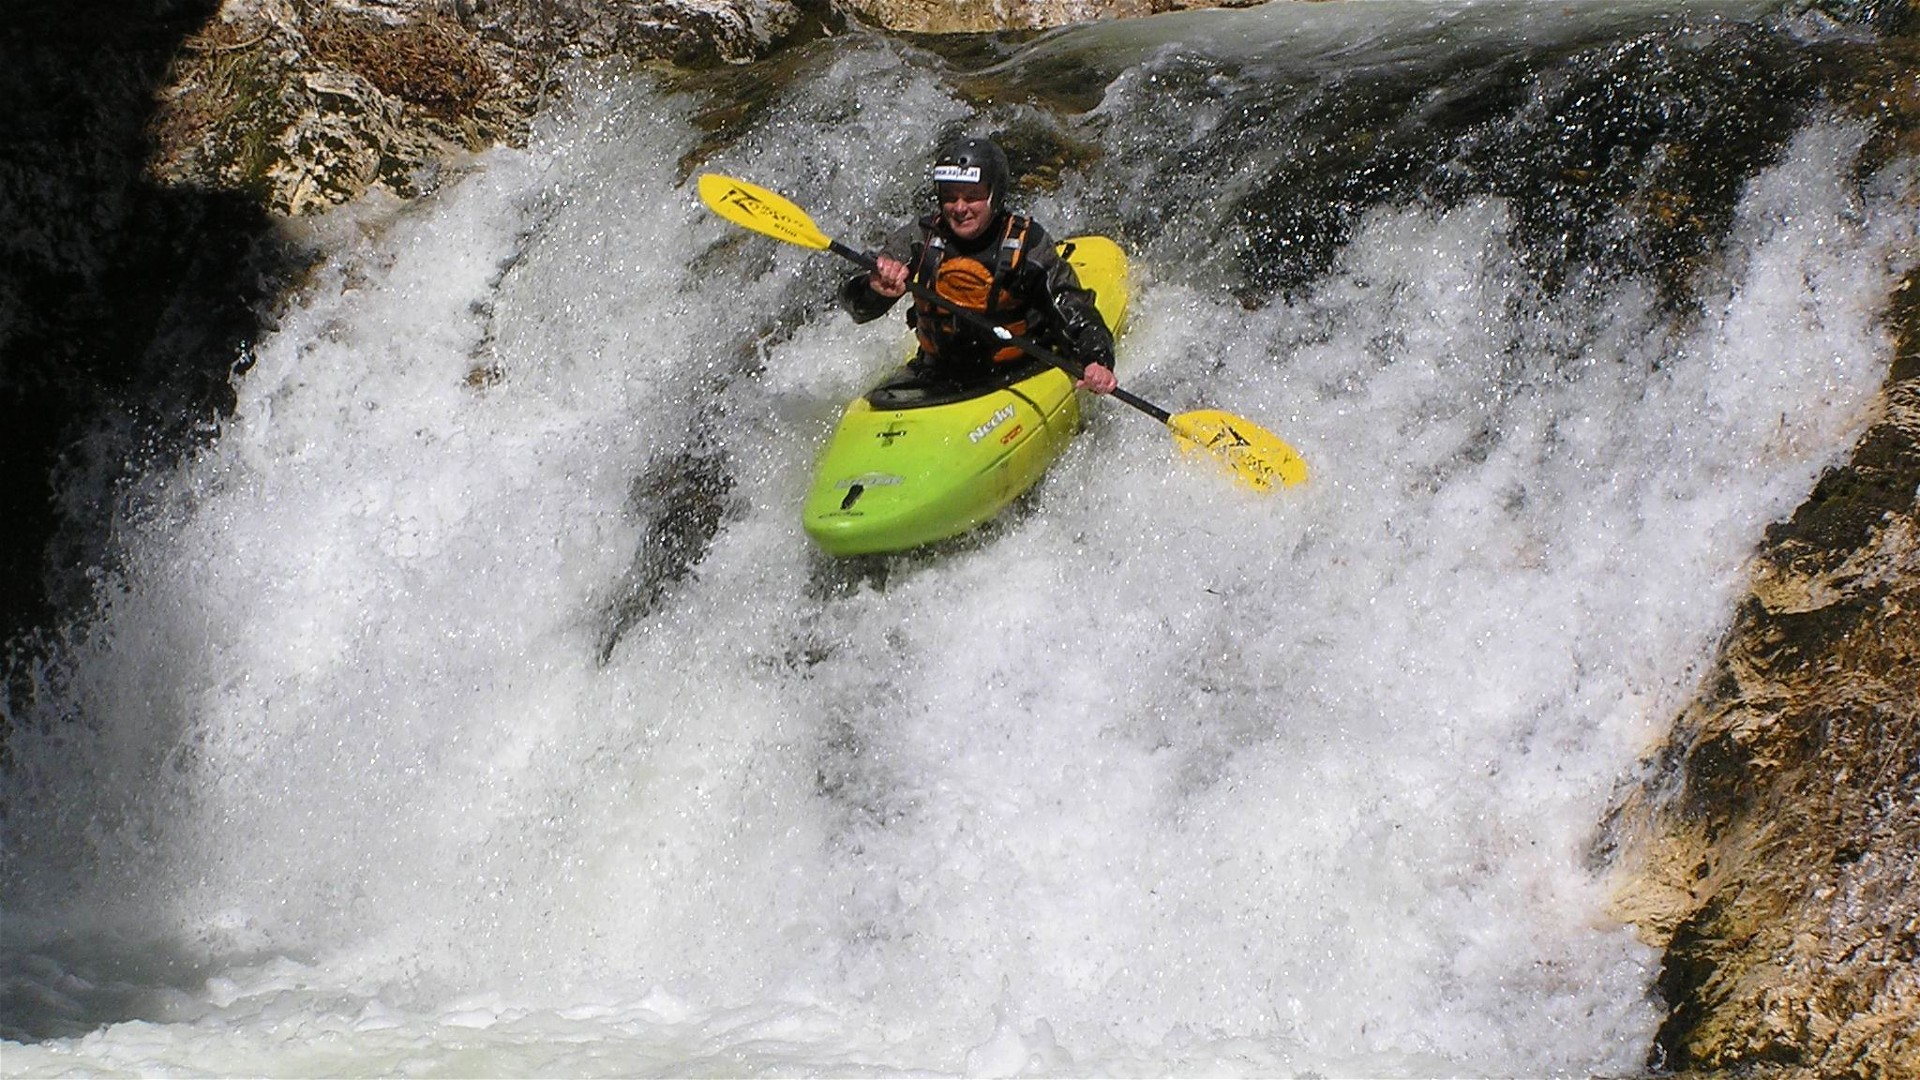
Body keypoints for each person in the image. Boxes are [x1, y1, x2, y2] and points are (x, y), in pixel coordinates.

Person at [838, 137, 1118, 399]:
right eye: (950, 196)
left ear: (994, 197)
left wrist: (1097, 359)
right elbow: (857, 309)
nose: (959, 208)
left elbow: (1072, 309)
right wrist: (873, 289)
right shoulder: (918, 238)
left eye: (972, 197)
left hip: (1016, 371)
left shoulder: (1027, 245)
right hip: (936, 372)